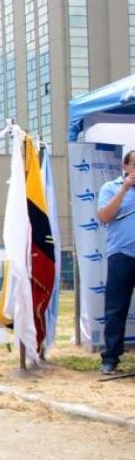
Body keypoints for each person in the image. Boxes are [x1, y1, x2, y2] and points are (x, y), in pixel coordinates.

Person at [97, 150, 135, 375]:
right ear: (125, 166)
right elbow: (104, 217)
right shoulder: (110, 188)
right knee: (116, 308)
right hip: (121, 255)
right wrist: (124, 189)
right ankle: (110, 358)